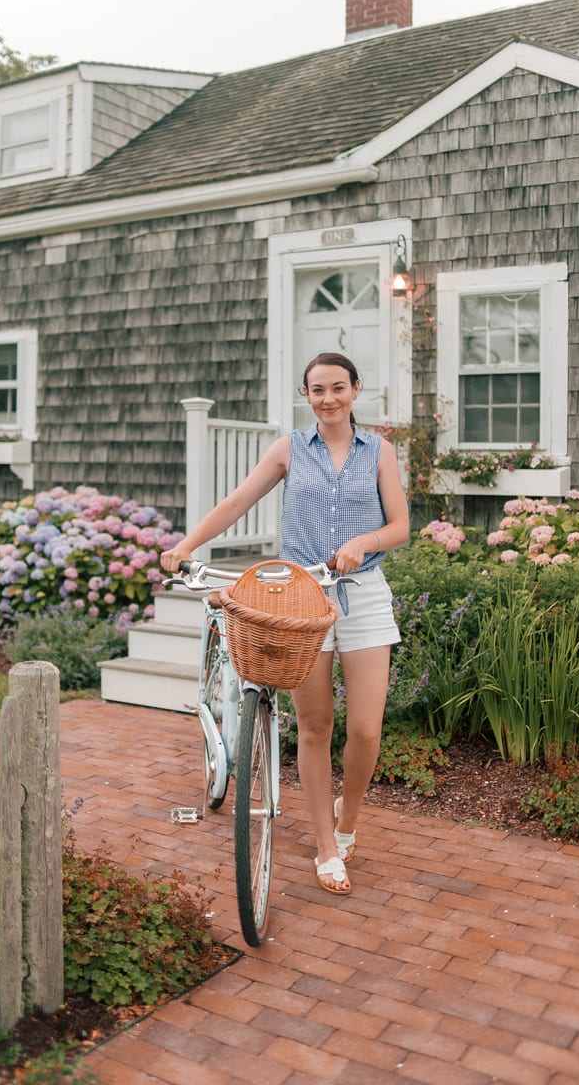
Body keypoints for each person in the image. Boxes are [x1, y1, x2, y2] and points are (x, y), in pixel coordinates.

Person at [161, 352, 410, 895]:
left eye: (338, 388)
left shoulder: (380, 452)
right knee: (316, 726)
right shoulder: (290, 450)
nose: (328, 399)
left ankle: (348, 819)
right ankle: (326, 847)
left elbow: (399, 527)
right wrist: (186, 544)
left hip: (364, 593)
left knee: (367, 731)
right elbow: (236, 501)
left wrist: (364, 542)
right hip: (299, 598)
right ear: (306, 395)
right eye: (317, 390)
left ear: (355, 389)